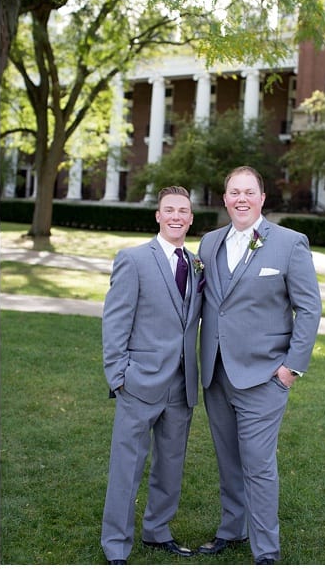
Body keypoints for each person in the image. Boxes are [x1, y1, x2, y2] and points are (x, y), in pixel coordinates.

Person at [196, 166, 321, 564]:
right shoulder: (209, 244)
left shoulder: (289, 243)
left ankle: (266, 550)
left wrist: (290, 369)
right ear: (225, 198)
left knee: (258, 465)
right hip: (216, 373)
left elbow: (310, 308)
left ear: (262, 198)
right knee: (228, 460)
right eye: (234, 192)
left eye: (249, 192)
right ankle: (232, 529)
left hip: (265, 377)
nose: (241, 199)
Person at [101, 186, 203, 564]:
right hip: (138, 381)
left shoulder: (195, 264)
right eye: (169, 210)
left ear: (191, 219)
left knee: (170, 465)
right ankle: (116, 544)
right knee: (126, 467)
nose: (176, 216)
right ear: (158, 216)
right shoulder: (133, 259)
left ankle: (157, 530)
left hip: (182, 384)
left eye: (183, 211)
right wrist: (119, 375)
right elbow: (115, 322)